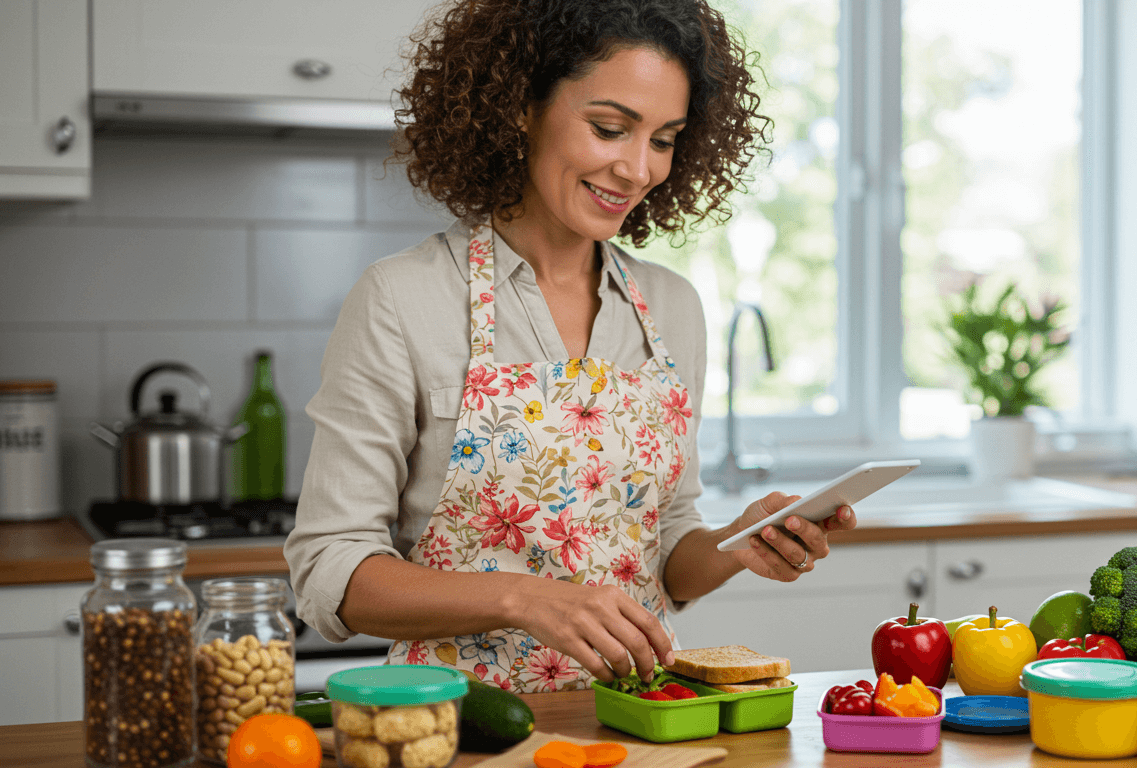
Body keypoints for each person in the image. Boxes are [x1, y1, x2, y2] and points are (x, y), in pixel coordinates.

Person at [284, 0, 856, 694]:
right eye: (610, 129)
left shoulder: (672, 309)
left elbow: (667, 550)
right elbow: (330, 571)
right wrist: (521, 598)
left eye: (664, 139)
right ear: (522, 107)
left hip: (643, 722)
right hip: (467, 729)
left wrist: (739, 543)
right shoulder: (403, 299)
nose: (638, 169)